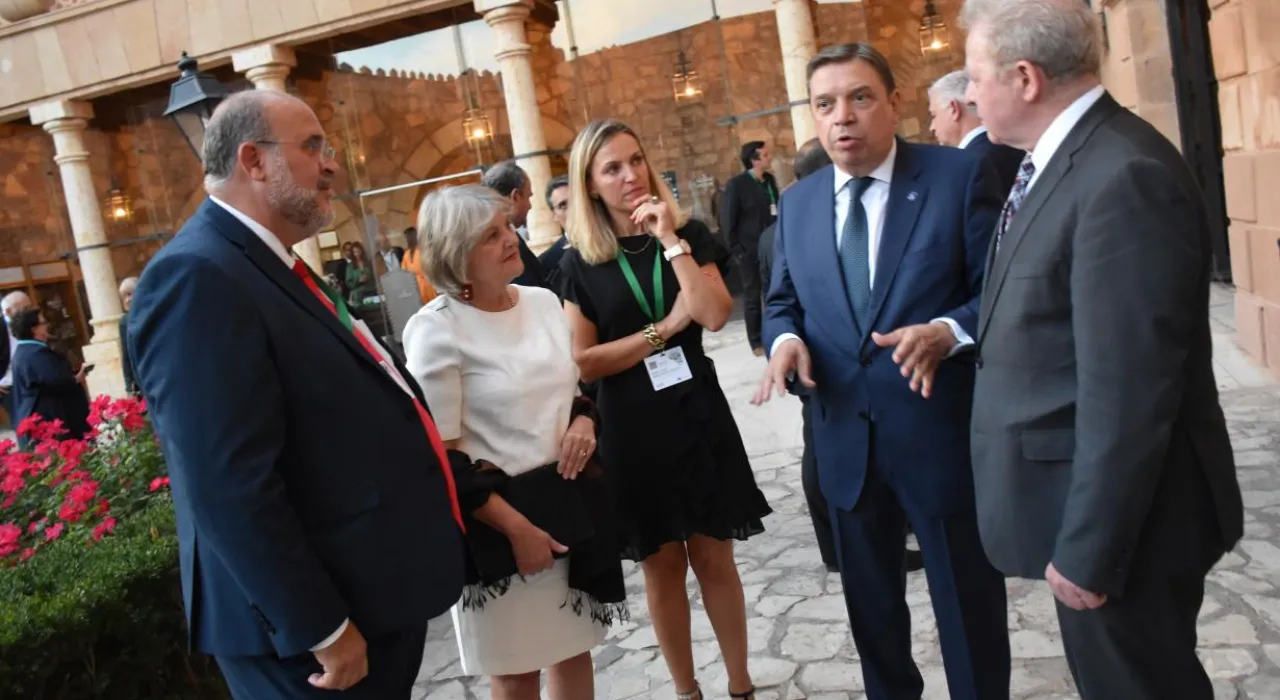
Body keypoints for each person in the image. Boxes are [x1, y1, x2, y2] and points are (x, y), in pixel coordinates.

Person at [127, 90, 465, 700]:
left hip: (367, 599)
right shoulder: (197, 276)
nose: (331, 163)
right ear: (253, 161)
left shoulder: (265, 263)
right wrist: (320, 626)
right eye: (312, 147)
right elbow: (226, 482)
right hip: (306, 646)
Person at [961, 1, 1245, 698]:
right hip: (1084, 511)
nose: (968, 93)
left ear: (1024, 77)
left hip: (1126, 528)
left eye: (973, 75)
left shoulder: (1122, 175)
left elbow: (1129, 391)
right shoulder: (1065, 161)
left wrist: (1090, 548)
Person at [753, 43, 1009, 700]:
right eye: (825, 104)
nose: (842, 116)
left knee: (969, 615)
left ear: (894, 104)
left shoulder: (957, 177)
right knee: (873, 620)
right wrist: (785, 341)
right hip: (845, 441)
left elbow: (1001, 289)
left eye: (859, 97)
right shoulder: (799, 203)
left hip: (939, 437)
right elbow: (782, 302)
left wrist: (947, 332)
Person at [559, 119, 772, 700]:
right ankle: (686, 691)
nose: (630, 175)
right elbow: (585, 362)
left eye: (636, 160)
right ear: (590, 184)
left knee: (715, 556)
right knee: (663, 567)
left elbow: (713, 313)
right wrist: (663, 330)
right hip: (631, 428)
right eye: (612, 168)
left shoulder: (689, 234)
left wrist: (670, 240)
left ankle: (741, 686)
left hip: (697, 413)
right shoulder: (579, 263)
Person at [403, 183, 624, 700]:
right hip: (497, 525)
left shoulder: (543, 301)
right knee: (516, 672)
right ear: (456, 255)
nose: (511, 239)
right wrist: (518, 530)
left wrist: (583, 422)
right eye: (490, 236)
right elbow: (440, 457)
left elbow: (570, 390)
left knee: (574, 651)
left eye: (507, 226)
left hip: (568, 504)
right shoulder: (436, 330)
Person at [756, 138, 840, 573]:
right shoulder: (797, 220)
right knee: (821, 451)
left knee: (817, 446)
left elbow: (763, 290)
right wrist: (780, 340)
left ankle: (836, 543)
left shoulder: (771, 230)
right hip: (817, 357)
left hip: (804, 355)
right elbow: (778, 296)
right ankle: (837, 544)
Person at [719, 141, 779, 356]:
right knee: (753, 296)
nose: (769, 158)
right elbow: (727, 220)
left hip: (771, 248)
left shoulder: (769, 181)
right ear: (754, 160)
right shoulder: (737, 185)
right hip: (748, 250)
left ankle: (775, 333)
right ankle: (756, 341)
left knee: (774, 292)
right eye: (765, 155)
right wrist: (737, 250)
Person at [928, 69, 1025, 197]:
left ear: (953, 109)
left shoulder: (966, 166)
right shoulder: (1016, 145)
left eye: (934, 115)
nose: (932, 127)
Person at [10, 307, 89, 447]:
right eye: (43, 322)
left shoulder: (24, 351)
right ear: (34, 329)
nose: (47, 325)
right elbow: (57, 380)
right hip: (52, 419)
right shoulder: (36, 354)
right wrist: (77, 378)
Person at [481, 160, 550, 290]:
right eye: (528, 197)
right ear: (515, 196)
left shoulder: (485, 240)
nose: (530, 205)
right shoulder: (508, 244)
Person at [0, 291, 34, 425]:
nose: (29, 312)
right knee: (23, 424)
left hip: (32, 380)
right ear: (8, 311)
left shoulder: (30, 325)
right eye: (25, 308)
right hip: (9, 386)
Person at [538, 175, 572, 294]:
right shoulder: (546, 264)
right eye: (563, 205)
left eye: (576, 201)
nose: (573, 210)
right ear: (554, 215)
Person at [402, 226, 439, 305]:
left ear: (416, 236)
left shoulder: (424, 251)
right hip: (414, 290)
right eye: (407, 237)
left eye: (411, 236)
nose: (409, 239)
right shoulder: (406, 255)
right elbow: (403, 273)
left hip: (428, 288)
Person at [117, 276, 140, 396]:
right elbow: (126, 354)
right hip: (139, 374)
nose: (128, 299)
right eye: (125, 296)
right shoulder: (124, 321)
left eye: (131, 294)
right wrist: (128, 384)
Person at [344, 241, 377, 308]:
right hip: (358, 298)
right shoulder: (350, 267)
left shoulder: (368, 263)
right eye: (354, 252)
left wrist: (368, 278)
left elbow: (375, 277)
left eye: (358, 251)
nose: (357, 254)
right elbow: (349, 284)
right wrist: (358, 281)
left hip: (371, 293)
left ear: (362, 251)